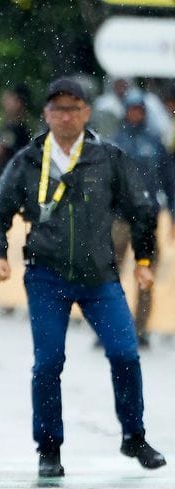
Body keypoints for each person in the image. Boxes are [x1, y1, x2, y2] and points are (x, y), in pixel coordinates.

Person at [0, 78, 166, 478]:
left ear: (86, 112)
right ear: (46, 114)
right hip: (46, 276)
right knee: (48, 363)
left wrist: (146, 261)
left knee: (125, 353)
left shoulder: (109, 157)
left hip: (99, 277)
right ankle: (49, 448)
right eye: (58, 109)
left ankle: (133, 435)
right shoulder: (28, 160)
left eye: (74, 108)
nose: (66, 116)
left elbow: (141, 209)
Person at [112, 92, 175, 348]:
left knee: (145, 272)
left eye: (139, 109)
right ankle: (109, 325)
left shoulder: (155, 143)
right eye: (132, 109)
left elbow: (169, 180)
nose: (135, 114)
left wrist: (173, 212)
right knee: (110, 274)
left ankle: (140, 329)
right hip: (119, 218)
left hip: (146, 217)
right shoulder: (115, 142)